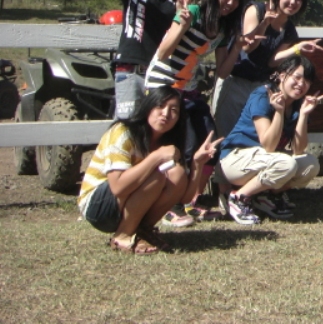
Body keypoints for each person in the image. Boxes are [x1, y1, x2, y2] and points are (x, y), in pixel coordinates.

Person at [144, 0, 246, 226]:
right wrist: (182, 23)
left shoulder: (223, 28)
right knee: (185, 145)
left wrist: (237, 47)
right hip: (164, 85)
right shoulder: (193, 12)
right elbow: (164, 52)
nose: (230, 2)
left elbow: (222, 72)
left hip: (188, 89)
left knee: (211, 141)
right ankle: (170, 206)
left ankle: (192, 201)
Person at [77, 86, 221, 255]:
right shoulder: (123, 132)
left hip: (125, 204)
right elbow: (117, 187)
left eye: (174, 110)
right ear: (148, 107)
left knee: (176, 172)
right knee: (156, 176)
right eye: (160, 106)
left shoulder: (168, 142)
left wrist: (197, 163)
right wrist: (156, 157)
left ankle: (142, 231)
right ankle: (123, 235)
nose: (165, 114)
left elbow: (184, 198)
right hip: (97, 207)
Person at [212, 0, 323, 139]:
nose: (293, 2)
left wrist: (297, 48)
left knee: (251, 137)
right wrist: (264, 23)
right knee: (223, 135)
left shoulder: (289, 30)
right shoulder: (256, 10)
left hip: (260, 88)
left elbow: (272, 62)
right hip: (235, 82)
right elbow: (248, 47)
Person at [218, 56, 323, 224]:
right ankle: (238, 198)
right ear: (282, 76)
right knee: (285, 163)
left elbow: (298, 150)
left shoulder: (297, 104)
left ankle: (266, 196)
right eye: (297, 77)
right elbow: (268, 145)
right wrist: (279, 112)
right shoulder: (263, 95)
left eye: (307, 80)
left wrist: (303, 115)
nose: (301, 84)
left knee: (310, 164)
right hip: (235, 159)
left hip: (263, 160)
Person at [102, 0, 186, 120]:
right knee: (127, 125)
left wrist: (181, 15)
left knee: (155, 128)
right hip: (131, 68)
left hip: (159, 72)